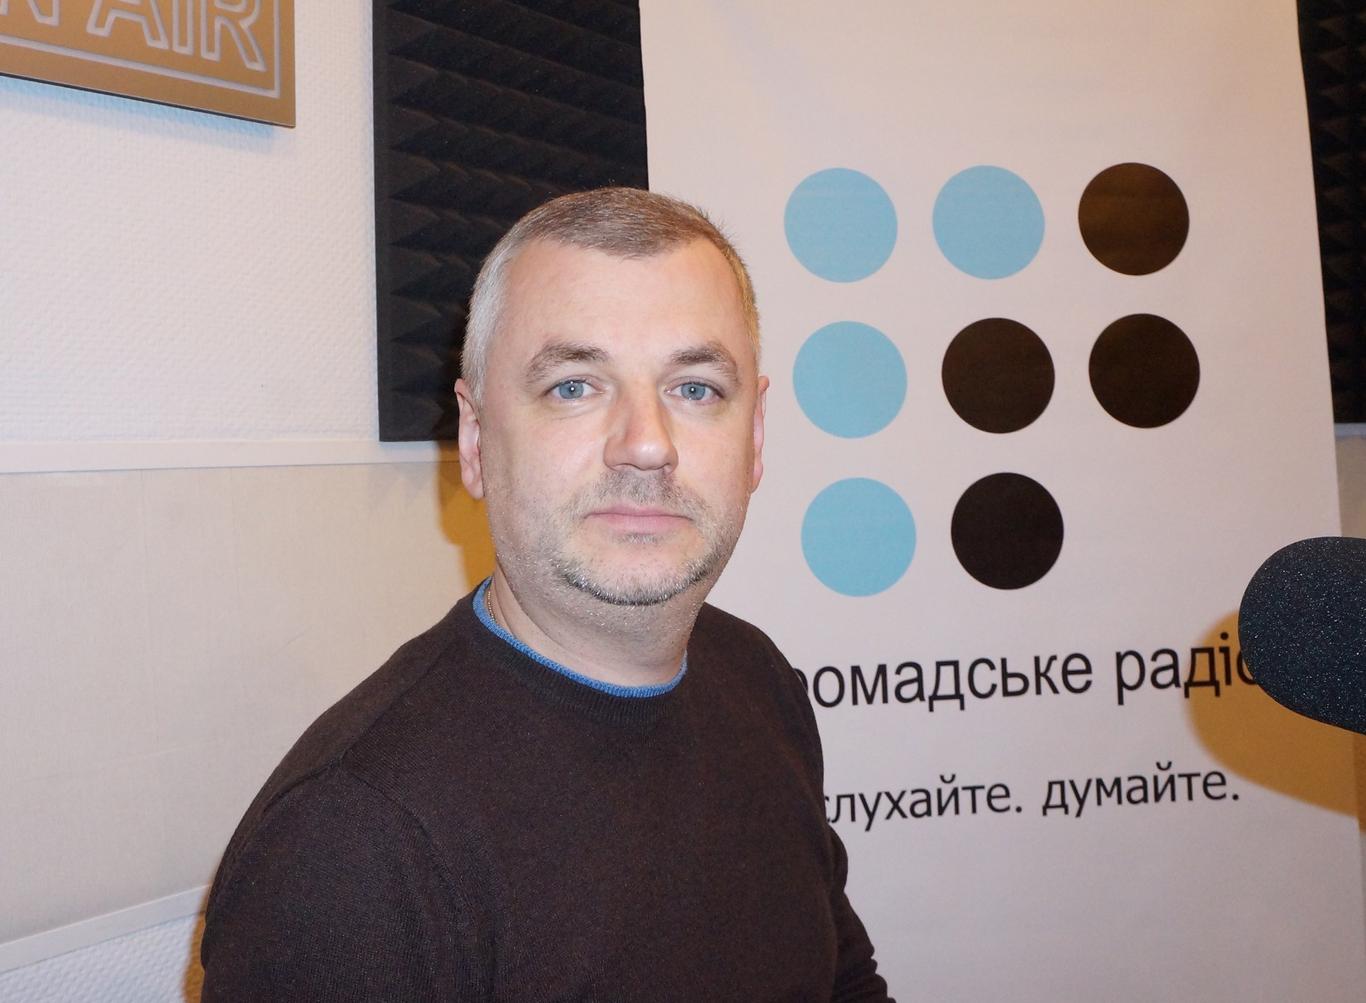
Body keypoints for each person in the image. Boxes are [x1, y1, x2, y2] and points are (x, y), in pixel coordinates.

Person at [200, 187, 892, 1001]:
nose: (647, 444)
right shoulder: (351, 847)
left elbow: (843, 980)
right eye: (574, 386)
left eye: (695, 388)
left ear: (756, 436)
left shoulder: (758, 677)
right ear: (475, 439)